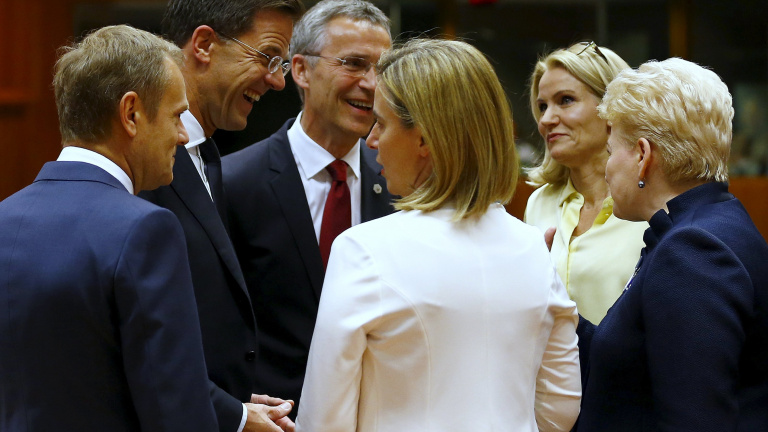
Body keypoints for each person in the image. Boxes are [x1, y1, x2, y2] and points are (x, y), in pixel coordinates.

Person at [296, 38, 581, 432]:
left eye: (381, 123)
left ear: (425, 139)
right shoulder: (533, 247)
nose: (371, 140)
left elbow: (324, 420)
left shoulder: (363, 249)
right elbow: (560, 407)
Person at [0, 25, 217, 431]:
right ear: (131, 114)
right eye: (176, 115)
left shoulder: (3, 218)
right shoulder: (145, 230)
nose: (183, 135)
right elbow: (177, 410)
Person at [222, 0, 394, 417]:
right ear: (300, 70)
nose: (372, 84)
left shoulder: (403, 186)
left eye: (383, 70)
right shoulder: (234, 183)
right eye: (354, 64)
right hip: (276, 418)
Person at [576, 57, 768, 431]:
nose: (606, 169)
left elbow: (695, 419)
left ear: (642, 156)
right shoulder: (715, 221)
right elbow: (629, 366)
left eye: (610, 151)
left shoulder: (691, 251)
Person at [139, 1, 305, 431]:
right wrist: (233, 415)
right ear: (204, 45)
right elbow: (141, 336)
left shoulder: (209, 156)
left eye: (281, 64)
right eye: (268, 57)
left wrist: (233, 397)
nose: (277, 80)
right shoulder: (144, 164)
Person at [524, 42, 647, 324]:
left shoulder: (651, 202)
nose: (546, 119)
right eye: (542, 106)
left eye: (565, 100)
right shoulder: (539, 202)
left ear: (612, 107)